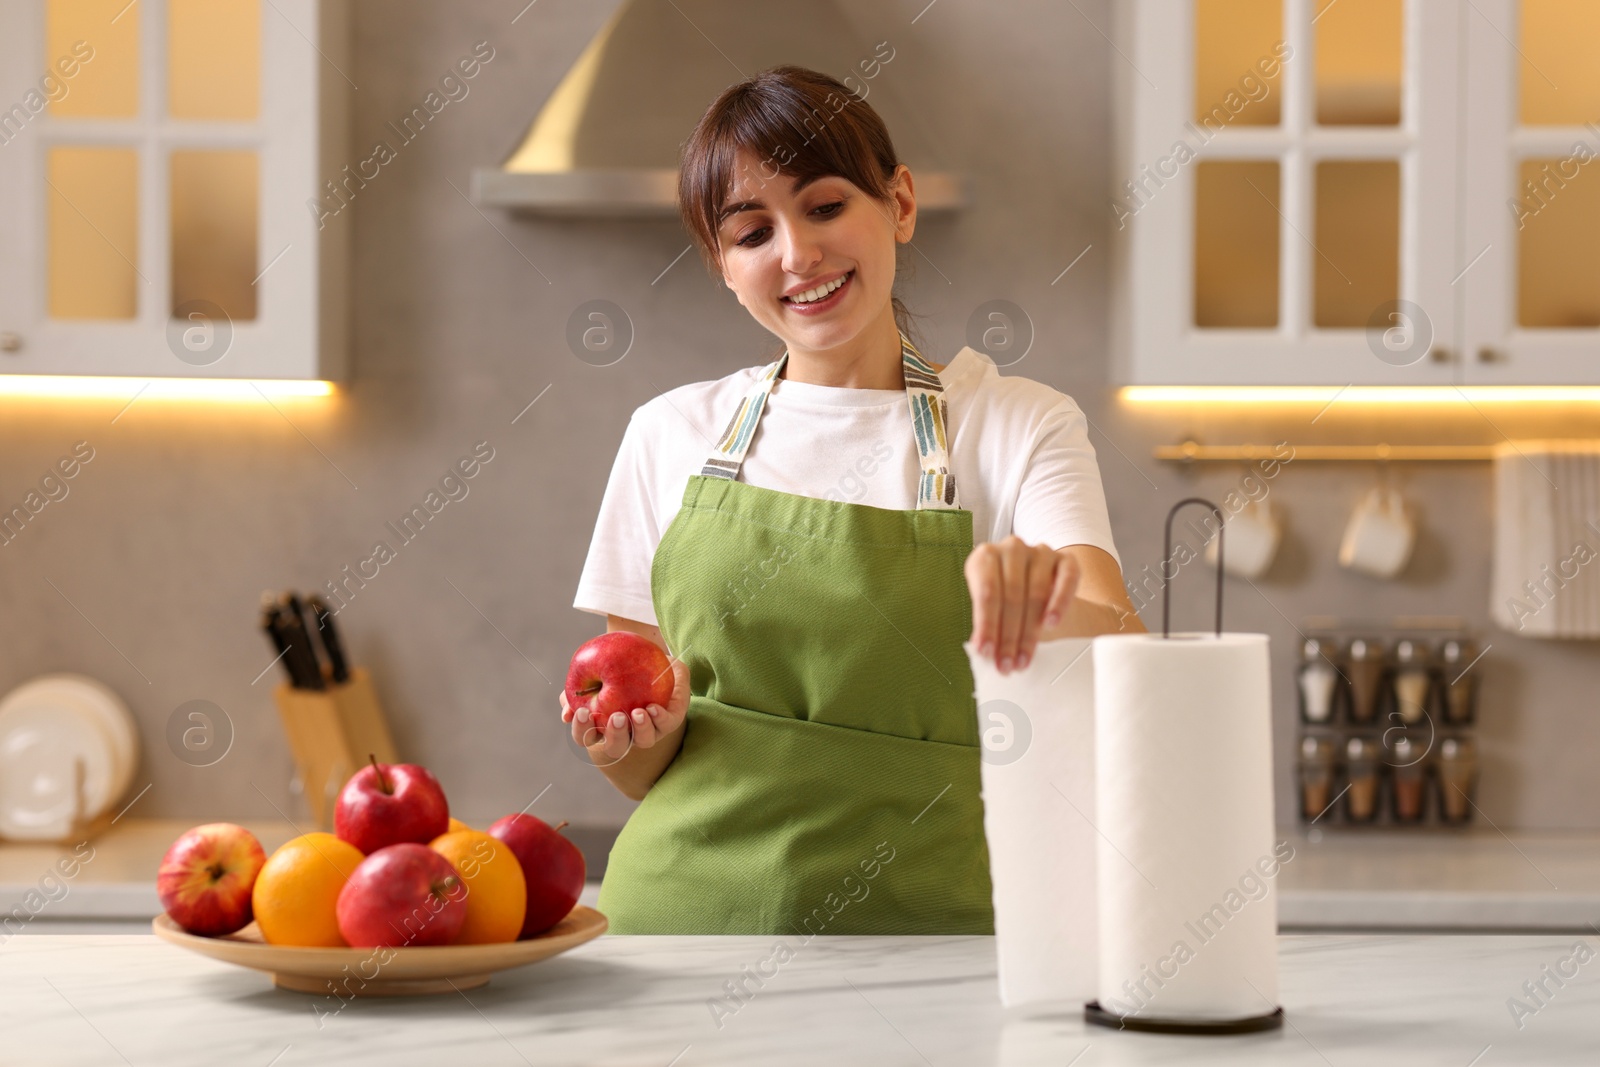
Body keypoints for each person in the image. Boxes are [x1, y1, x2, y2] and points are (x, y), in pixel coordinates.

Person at [567, 65, 1143, 935]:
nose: (798, 254)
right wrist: (626, 752)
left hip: (941, 942)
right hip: (680, 940)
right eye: (752, 232)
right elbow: (654, 762)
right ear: (724, 266)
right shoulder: (667, 434)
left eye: (826, 207)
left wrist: (1046, 601)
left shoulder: (1015, 422)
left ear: (900, 204)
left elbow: (1116, 631)